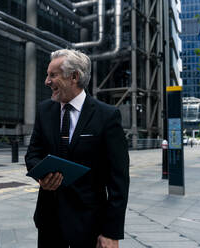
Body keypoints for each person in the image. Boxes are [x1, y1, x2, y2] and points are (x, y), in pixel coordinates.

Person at [25, 49, 129, 248]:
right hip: (49, 221)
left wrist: (111, 232)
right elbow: (33, 153)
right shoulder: (44, 110)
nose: (47, 81)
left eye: (52, 75)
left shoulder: (107, 116)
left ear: (74, 77)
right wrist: (42, 176)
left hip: (89, 224)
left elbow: (119, 180)